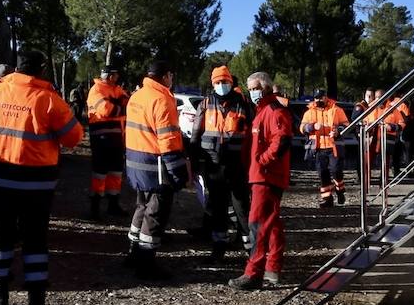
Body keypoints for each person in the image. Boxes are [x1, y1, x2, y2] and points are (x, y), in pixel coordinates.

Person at [0, 51, 83, 305]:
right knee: (34, 242)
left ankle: (0, 300)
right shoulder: (49, 101)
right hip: (35, 184)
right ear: (41, 70)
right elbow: (74, 137)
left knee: (1, 237)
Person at [124, 59, 190, 280]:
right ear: (165, 76)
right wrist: (179, 172)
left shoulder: (137, 96)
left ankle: (133, 253)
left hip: (136, 163)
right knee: (155, 214)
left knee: (141, 207)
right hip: (156, 167)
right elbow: (169, 140)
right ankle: (146, 264)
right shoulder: (161, 100)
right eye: (171, 75)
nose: (172, 79)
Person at [229, 71, 292, 290]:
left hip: (266, 176)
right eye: (249, 88)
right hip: (260, 175)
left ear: (264, 88)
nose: (251, 92)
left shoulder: (274, 111)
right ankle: (272, 268)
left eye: (254, 88)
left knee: (257, 224)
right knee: (270, 223)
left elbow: (282, 140)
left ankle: (253, 272)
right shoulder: (262, 111)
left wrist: (262, 161)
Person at [189, 65, 253, 261]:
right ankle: (219, 247)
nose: (221, 85)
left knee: (242, 207)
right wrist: (194, 159)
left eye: (224, 82)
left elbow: (253, 133)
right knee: (218, 207)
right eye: (217, 82)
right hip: (213, 164)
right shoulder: (205, 104)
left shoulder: (244, 104)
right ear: (212, 83)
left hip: (237, 164)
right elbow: (196, 134)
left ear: (231, 83)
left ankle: (250, 249)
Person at [85, 64, 129, 220]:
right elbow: (106, 110)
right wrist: (121, 108)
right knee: (100, 173)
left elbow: (127, 101)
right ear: (110, 76)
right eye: (116, 76)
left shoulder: (116, 89)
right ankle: (95, 208)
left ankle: (113, 205)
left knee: (116, 173)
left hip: (117, 139)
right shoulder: (96, 90)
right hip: (101, 139)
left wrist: (120, 105)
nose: (117, 78)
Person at [300, 89, 349, 207]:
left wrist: (338, 131)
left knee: (336, 171)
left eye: (321, 98)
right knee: (323, 173)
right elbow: (302, 128)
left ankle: (340, 191)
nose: (318, 100)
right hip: (318, 147)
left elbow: (347, 125)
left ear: (326, 97)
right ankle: (327, 199)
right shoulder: (309, 112)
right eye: (316, 98)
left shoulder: (337, 110)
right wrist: (311, 126)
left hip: (334, 146)